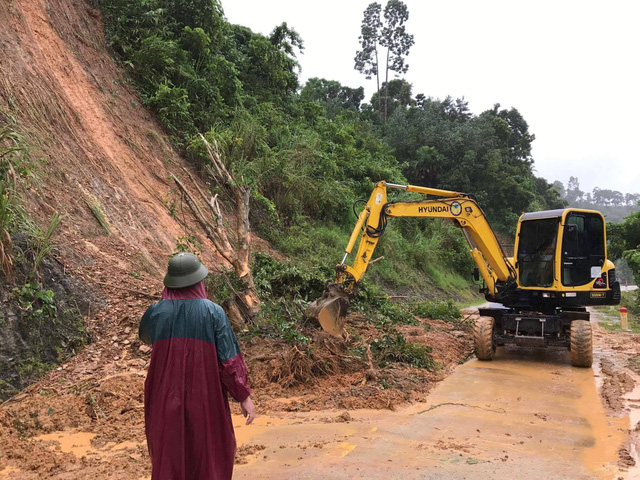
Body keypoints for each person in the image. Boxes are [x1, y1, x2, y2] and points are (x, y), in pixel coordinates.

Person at [139, 252, 255, 480]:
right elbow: (229, 362)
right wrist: (243, 396)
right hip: (205, 400)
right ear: (198, 281)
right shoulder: (214, 313)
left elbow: (145, 335)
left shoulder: (156, 312)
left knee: (169, 459)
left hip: (164, 399)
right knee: (208, 456)